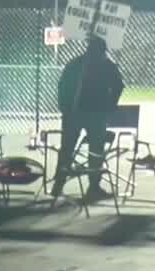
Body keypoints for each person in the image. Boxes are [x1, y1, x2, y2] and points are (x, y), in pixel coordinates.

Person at [52, 36, 125, 200]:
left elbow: (62, 86)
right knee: (93, 149)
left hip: (81, 113)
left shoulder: (78, 64)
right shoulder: (103, 66)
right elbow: (118, 86)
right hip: (91, 113)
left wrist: (64, 107)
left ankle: (61, 183)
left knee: (70, 148)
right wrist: (110, 105)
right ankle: (91, 185)